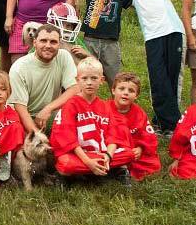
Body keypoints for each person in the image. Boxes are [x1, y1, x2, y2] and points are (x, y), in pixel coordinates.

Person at [119, 0, 184, 137]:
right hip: (153, 38)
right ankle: (168, 122)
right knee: (158, 78)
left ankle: (168, 123)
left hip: (173, 32)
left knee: (172, 77)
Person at [49, 57, 134, 185]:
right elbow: (66, 138)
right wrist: (88, 161)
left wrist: (109, 156)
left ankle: (107, 168)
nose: (89, 82)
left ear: (102, 80)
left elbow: (113, 135)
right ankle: (78, 173)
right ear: (77, 80)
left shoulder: (105, 106)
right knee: (65, 162)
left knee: (129, 154)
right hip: (79, 155)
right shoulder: (70, 105)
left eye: (94, 78)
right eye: (84, 78)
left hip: (100, 153)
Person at [8, 24, 78, 132]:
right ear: (35, 42)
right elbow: (20, 108)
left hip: (49, 113)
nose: (48, 45)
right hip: (22, 117)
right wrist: (36, 136)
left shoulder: (64, 56)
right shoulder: (19, 68)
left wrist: (48, 109)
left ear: (59, 44)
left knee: (79, 114)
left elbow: (74, 89)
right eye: (43, 41)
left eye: (53, 42)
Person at [107, 72, 161, 181]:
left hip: (132, 151)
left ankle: (120, 170)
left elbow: (148, 135)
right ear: (113, 90)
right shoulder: (104, 108)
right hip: (111, 150)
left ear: (136, 95)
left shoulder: (139, 113)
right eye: (121, 89)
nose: (125, 93)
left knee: (153, 164)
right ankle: (117, 168)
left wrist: (140, 148)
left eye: (131, 90)